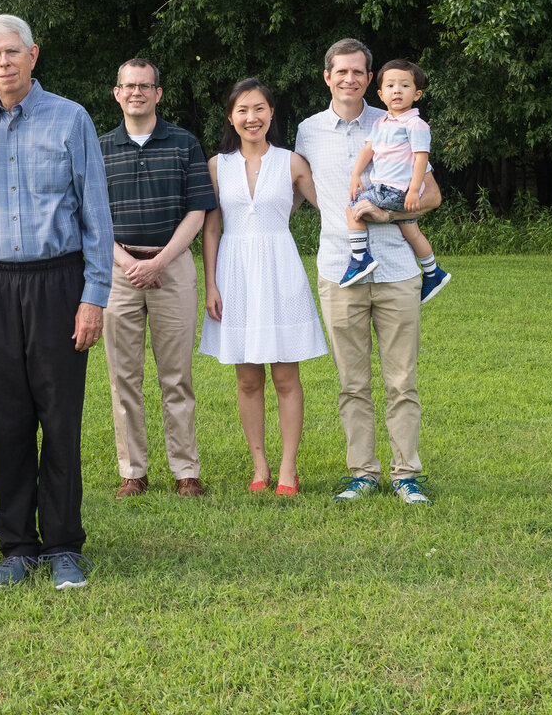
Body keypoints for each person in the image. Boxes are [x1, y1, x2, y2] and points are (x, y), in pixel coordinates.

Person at [0, 14, 114, 590]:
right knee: (6, 419)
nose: (4, 63)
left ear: (33, 55)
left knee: (59, 416)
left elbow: (95, 214)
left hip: (59, 282)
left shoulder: (71, 118)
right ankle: (16, 545)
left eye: (13, 52)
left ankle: (62, 545)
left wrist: (92, 297)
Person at [295, 38, 442, 504]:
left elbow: (432, 196)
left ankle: (405, 475)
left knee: (402, 380)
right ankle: (363, 472)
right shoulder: (308, 131)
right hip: (340, 269)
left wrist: (389, 216)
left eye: (359, 72)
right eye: (342, 72)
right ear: (327, 76)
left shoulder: (395, 122)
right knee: (351, 382)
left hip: (398, 270)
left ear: (371, 79)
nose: (350, 79)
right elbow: (298, 194)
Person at [200, 79, 326, 496]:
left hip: (280, 271)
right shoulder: (218, 165)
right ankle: (260, 466)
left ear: (272, 113)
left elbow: (331, 210)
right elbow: (213, 228)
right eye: (242, 110)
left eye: (259, 109)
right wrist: (211, 284)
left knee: (286, 377)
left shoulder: (292, 163)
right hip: (234, 275)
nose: (251, 117)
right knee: (248, 380)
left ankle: (288, 469)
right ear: (230, 117)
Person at [99, 58, 216, 499]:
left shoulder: (184, 144)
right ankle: (134, 470)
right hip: (118, 269)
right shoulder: (99, 147)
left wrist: (160, 260)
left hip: (173, 266)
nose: (136, 93)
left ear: (158, 93)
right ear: (117, 93)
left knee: (177, 375)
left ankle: (185, 469)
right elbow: (92, 217)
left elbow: (198, 210)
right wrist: (128, 263)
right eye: (129, 86)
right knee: (123, 375)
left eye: (145, 86)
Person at [341, 59, 451, 304]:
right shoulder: (382, 123)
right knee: (411, 230)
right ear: (381, 94)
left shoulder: (415, 124)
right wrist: (355, 174)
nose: (397, 90)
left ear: (417, 93)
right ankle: (433, 272)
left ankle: (360, 259)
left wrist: (414, 191)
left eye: (404, 85)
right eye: (390, 86)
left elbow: (421, 158)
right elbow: (368, 151)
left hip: (394, 190)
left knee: (354, 209)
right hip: (396, 192)